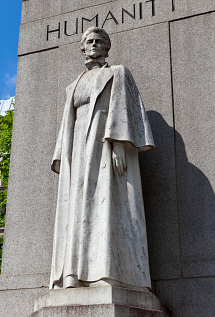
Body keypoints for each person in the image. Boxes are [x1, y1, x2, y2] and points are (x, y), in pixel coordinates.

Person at [50, 27, 155, 290]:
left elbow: (124, 110)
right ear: (83, 48)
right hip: (78, 151)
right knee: (76, 212)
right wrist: (63, 155)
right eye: (89, 41)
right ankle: (72, 275)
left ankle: (108, 273)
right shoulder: (71, 86)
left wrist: (120, 144)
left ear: (107, 48)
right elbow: (67, 124)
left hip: (104, 145)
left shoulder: (118, 73)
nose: (94, 44)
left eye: (99, 41)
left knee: (107, 207)